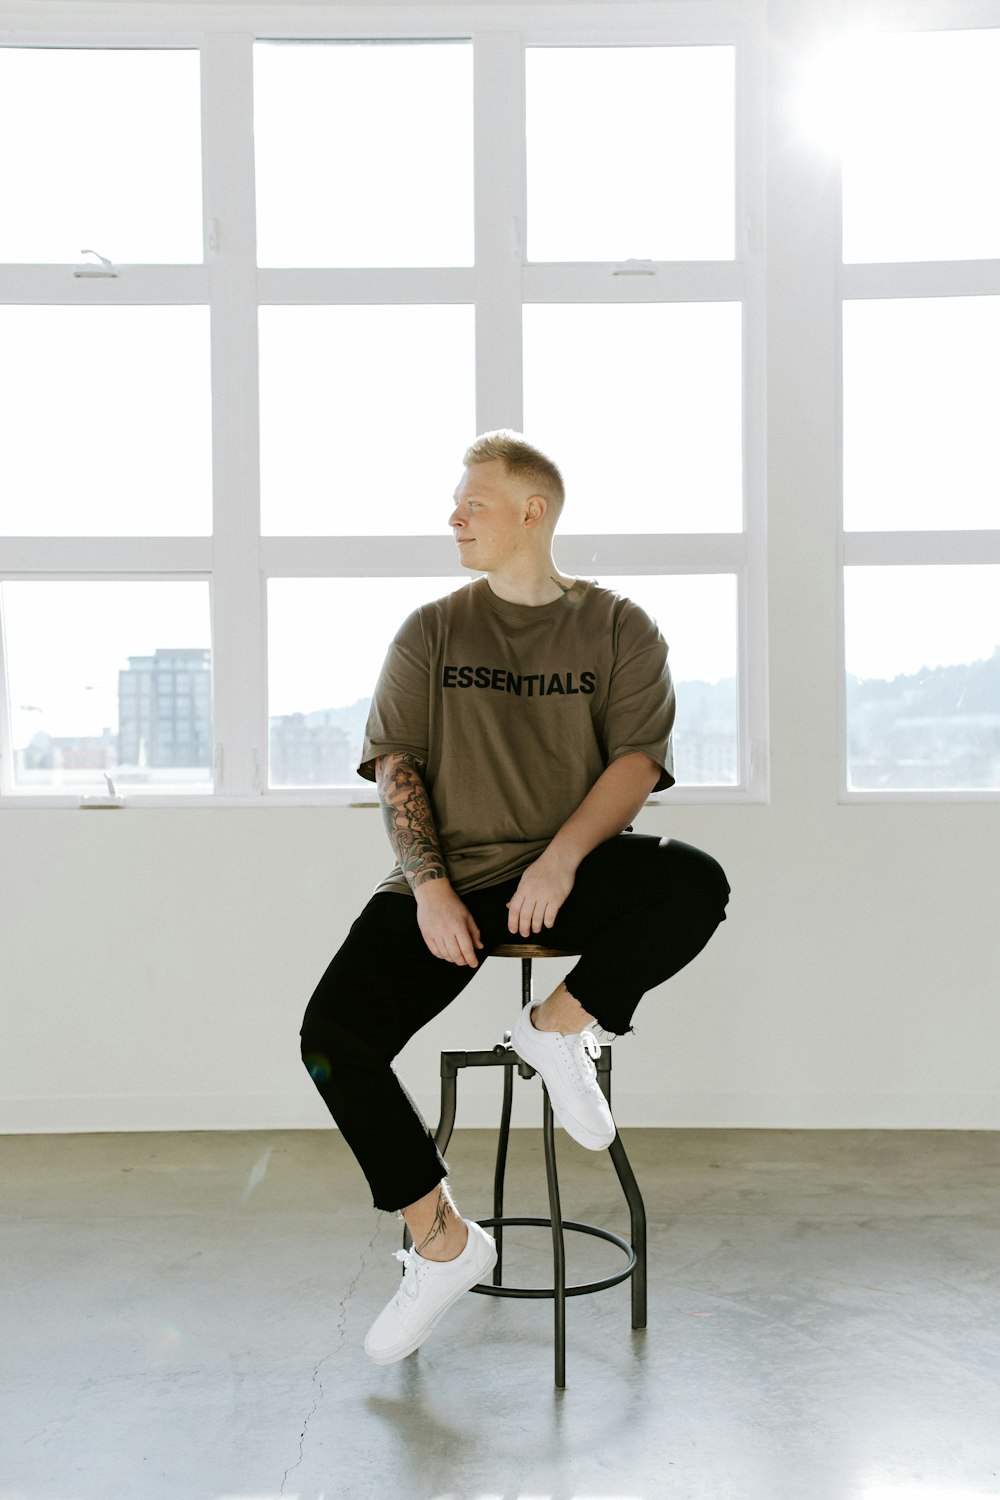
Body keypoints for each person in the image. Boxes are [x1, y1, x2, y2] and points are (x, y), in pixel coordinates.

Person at [300, 430, 731, 1366]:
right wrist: (428, 889)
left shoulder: (619, 627)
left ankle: (559, 1023)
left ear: (532, 511)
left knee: (693, 883)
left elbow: (637, 760)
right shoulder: (432, 629)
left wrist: (564, 859)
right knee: (334, 1040)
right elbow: (398, 767)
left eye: (474, 501)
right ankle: (442, 1240)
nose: (455, 516)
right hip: (451, 883)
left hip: (560, 877)